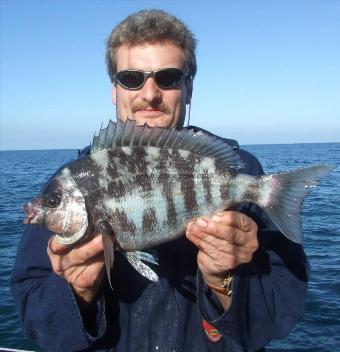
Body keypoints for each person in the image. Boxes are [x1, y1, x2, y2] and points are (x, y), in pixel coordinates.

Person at [11, 9, 309, 352]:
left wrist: (224, 281)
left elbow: (280, 311)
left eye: (167, 78)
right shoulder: (70, 181)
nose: (149, 94)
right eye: (131, 78)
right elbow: (33, 313)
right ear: (114, 90)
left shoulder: (241, 169)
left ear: (188, 88)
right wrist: (76, 292)